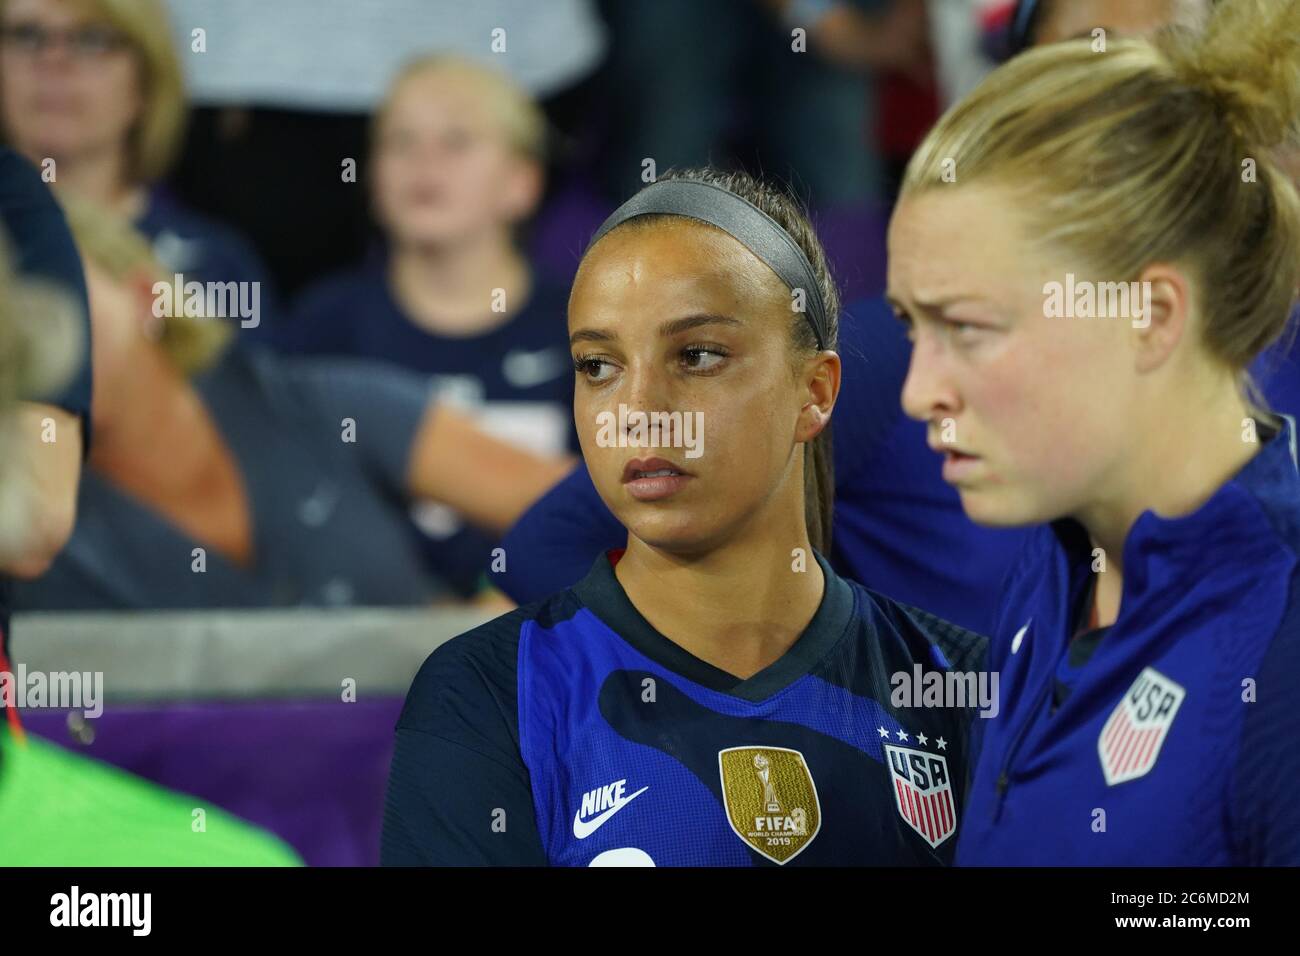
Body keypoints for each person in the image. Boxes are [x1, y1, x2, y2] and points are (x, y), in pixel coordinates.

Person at [382, 168, 986, 867]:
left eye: (697, 355)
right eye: (598, 366)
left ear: (815, 392)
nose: (637, 411)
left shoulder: (961, 682)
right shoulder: (485, 695)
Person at [889, 0, 1300, 864]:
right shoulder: (1056, 565)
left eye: (966, 327)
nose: (919, 392)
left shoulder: (1279, 652)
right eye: (909, 326)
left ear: (1150, 314)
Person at [10, 199, 571, 611]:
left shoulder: (324, 401)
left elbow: (593, 506)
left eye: (55, 300)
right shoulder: (25, 520)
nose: (37, 340)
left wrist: (492, 627)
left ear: (143, 299)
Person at [275, 56, 575, 596]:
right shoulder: (323, 327)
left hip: (543, 637)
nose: (424, 162)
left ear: (521, 183)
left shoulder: (585, 325)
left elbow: (621, 512)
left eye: (457, 140)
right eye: (400, 142)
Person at [0, 0, 278, 338]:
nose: (53, 60)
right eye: (27, 35)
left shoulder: (216, 266)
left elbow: (240, 390)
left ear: (145, 80)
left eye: (92, 39)